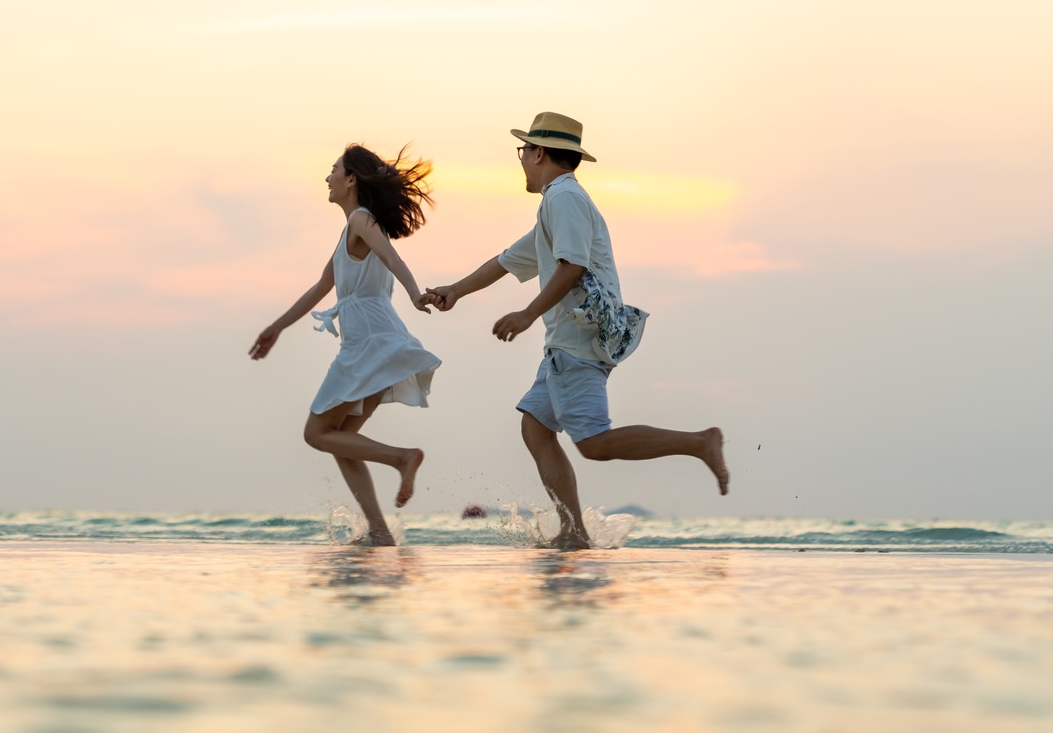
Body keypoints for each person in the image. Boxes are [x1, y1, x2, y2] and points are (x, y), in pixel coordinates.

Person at [424, 112, 727, 549]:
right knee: (535, 427)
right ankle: (573, 532)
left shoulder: (564, 200)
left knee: (594, 443)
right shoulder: (557, 201)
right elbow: (508, 260)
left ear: (540, 152)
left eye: (524, 150)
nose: (522, 159)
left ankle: (700, 442)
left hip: (579, 336)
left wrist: (527, 314)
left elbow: (574, 266)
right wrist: (455, 291)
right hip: (567, 339)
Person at [249, 145, 441, 546]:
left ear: (351, 179)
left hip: (370, 343)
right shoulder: (350, 229)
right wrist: (277, 327)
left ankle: (402, 458)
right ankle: (379, 532)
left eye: (334, 169)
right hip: (375, 340)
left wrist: (412, 293)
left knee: (316, 433)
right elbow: (322, 287)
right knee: (343, 442)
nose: (328, 177)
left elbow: (391, 257)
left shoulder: (360, 218)